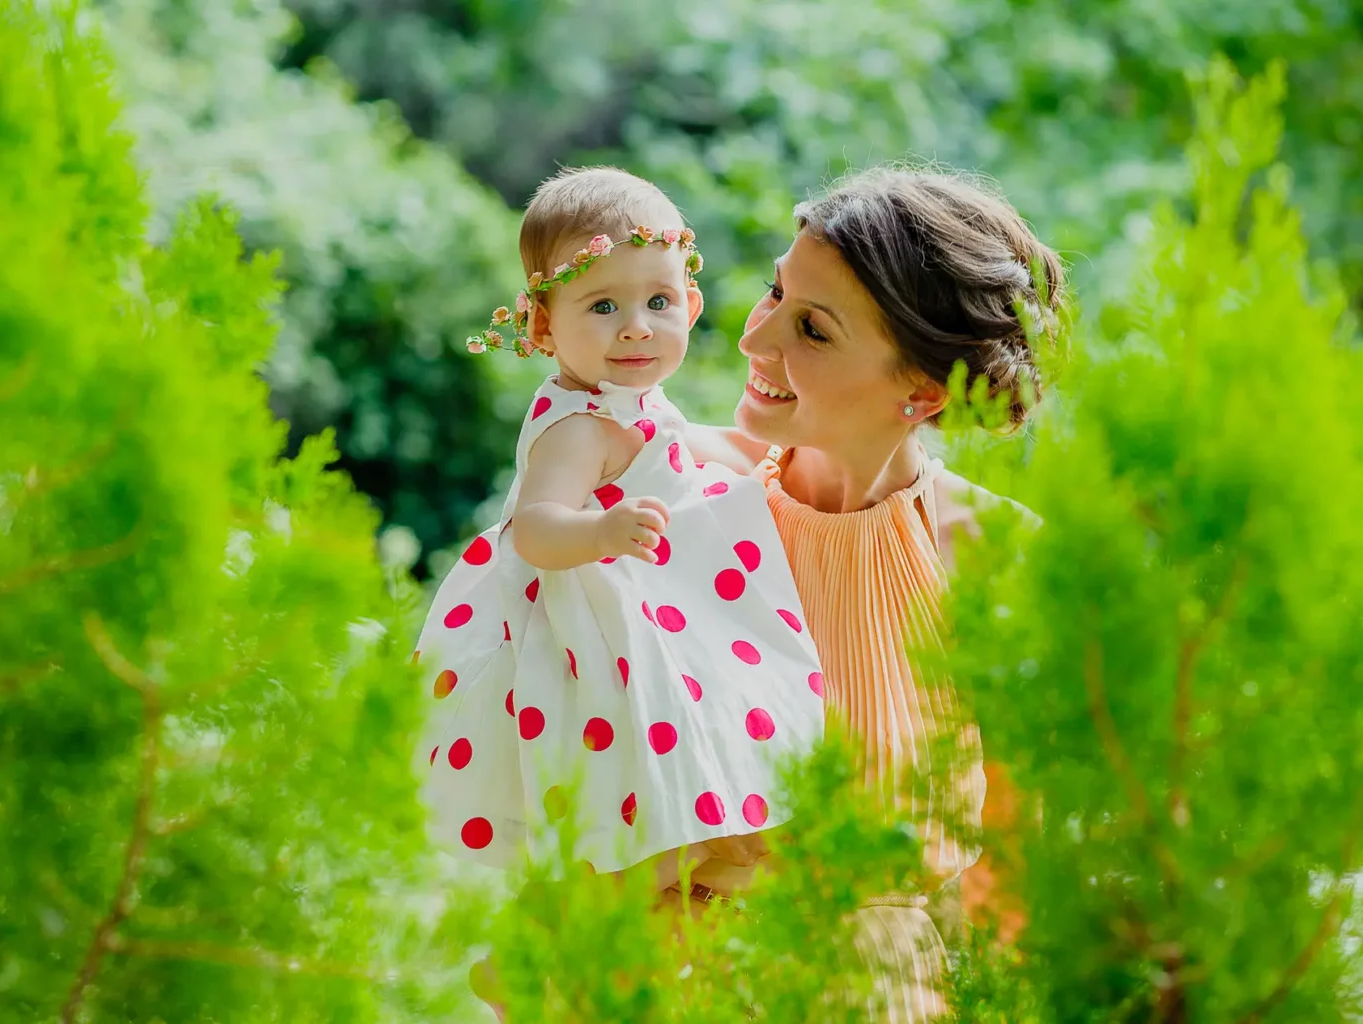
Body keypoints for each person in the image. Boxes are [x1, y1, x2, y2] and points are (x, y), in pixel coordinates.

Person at [687, 166, 1064, 1020]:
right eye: (773, 293)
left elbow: (1015, 864)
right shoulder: (676, 502)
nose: (756, 340)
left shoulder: (996, 556)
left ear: (921, 392)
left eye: (811, 328)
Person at [414, 167, 825, 917]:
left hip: (657, 590)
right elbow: (533, 529)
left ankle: (707, 836)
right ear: (542, 325)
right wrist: (600, 530)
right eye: (604, 305)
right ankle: (615, 889)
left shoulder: (625, 397)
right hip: (597, 615)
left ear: (690, 305)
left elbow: (675, 437)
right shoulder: (573, 428)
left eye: (658, 302)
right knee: (629, 753)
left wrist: (749, 456)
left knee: (709, 706)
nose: (637, 326)